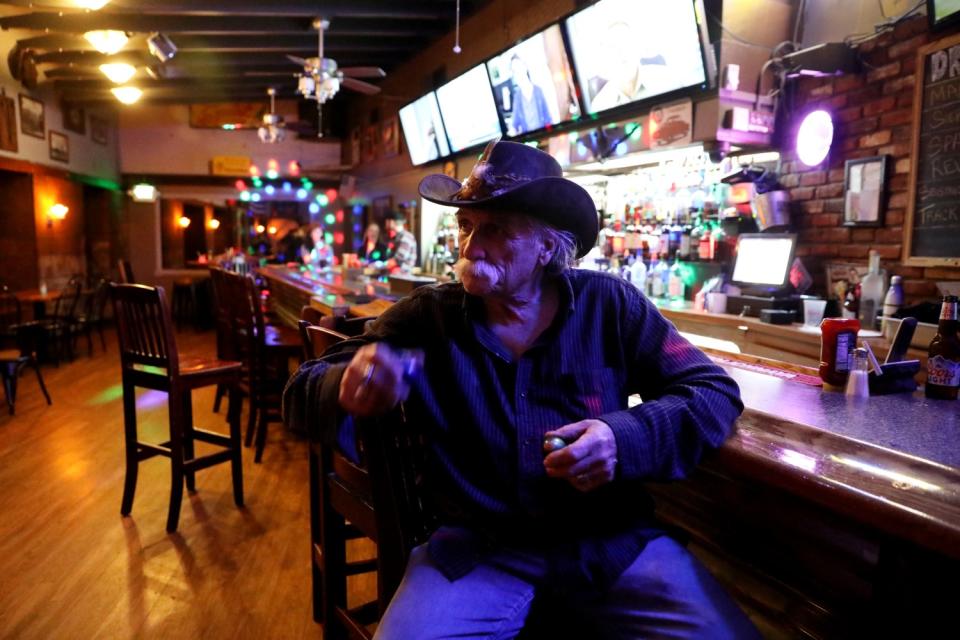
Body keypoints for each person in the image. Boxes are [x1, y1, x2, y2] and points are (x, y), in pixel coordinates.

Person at [283, 141, 758, 639]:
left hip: (607, 545)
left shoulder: (610, 306)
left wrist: (621, 439)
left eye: (496, 231)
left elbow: (712, 391)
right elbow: (302, 388)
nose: (470, 248)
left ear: (548, 247)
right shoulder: (431, 316)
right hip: (476, 551)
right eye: (466, 227)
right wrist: (348, 382)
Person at [508, 54, 551, 135]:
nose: (518, 72)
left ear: (525, 67)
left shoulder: (539, 91)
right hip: (528, 142)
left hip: (544, 136)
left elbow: (548, 119)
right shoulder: (517, 97)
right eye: (514, 71)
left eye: (519, 67)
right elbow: (515, 124)